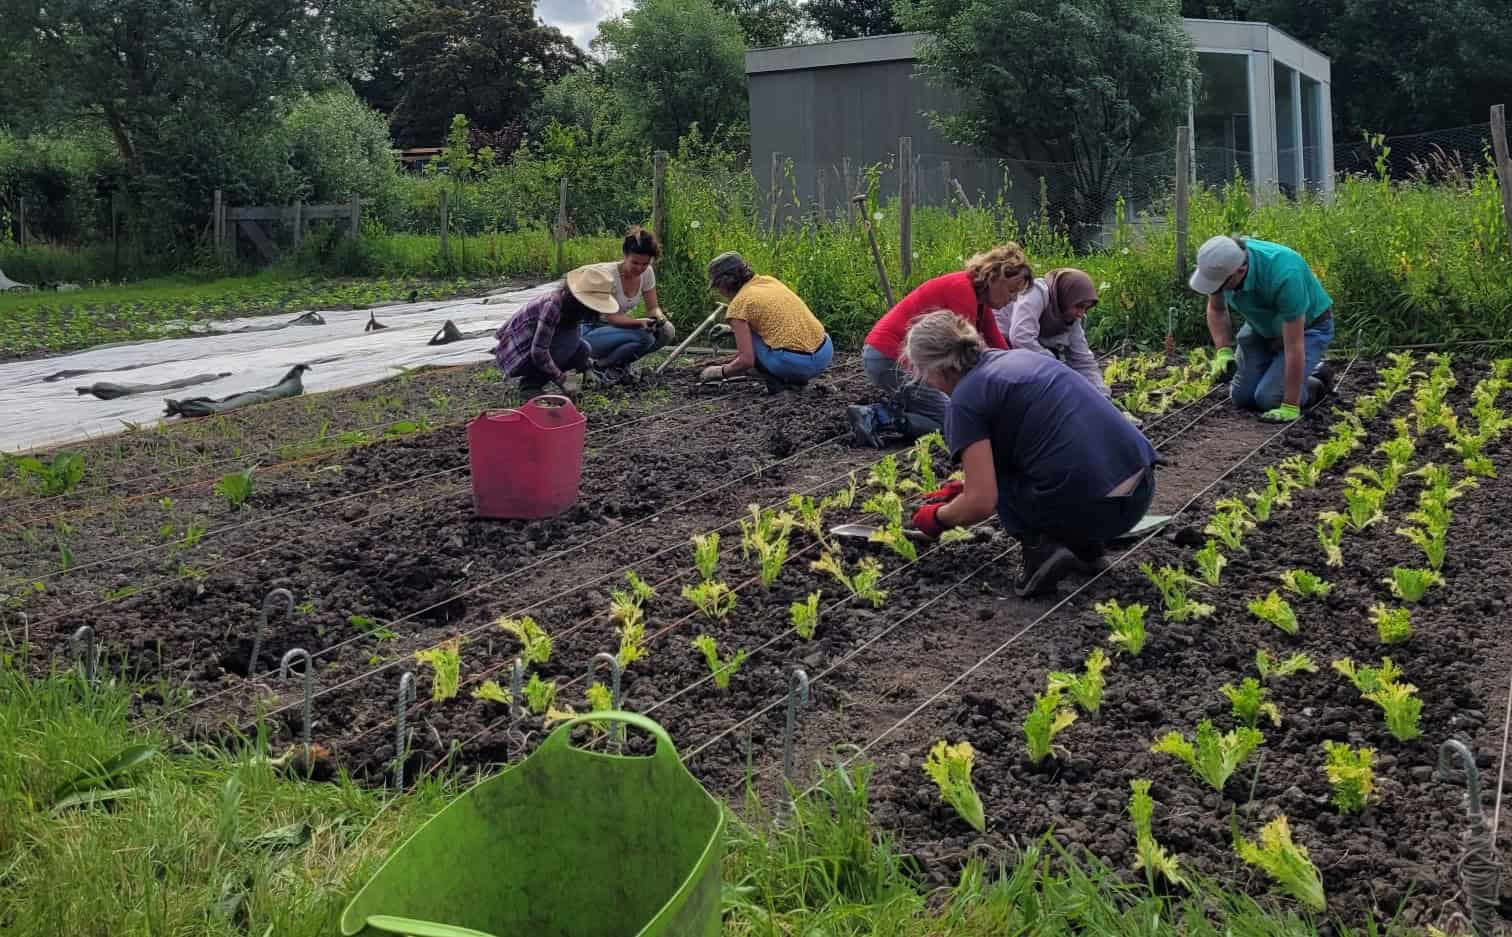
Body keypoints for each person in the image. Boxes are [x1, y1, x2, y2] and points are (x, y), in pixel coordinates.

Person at [905, 312, 1159, 598]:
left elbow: (981, 502)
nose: (927, 383)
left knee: (1001, 479)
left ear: (937, 369)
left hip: (1097, 509)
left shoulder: (965, 400)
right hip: (1141, 490)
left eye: (923, 374)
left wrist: (938, 518)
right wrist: (965, 489)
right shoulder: (1018, 359)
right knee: (1023, 465)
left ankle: (1043, 552)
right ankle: (1086, 550)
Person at [846, 244, 1031, 448]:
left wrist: (1019, 381)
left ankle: (904, 408)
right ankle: (877, 416)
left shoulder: (979, 300)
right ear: (993, 276)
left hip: (899, 359)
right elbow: (969, 359)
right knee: (957, 422)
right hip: (890, 357)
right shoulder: (961, 290)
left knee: (955, 413)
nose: (1013, 299)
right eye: (1011, 290)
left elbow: (998, 348)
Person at [1188, 235, 1335, 422]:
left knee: (1270, 399)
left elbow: (1294, 345)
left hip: (1307, 330)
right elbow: (1217, 309)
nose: (1217, 289)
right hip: (1262, 325)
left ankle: (1318, 379)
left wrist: (1290, 405)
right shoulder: (1220, 260)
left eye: (1220, 285)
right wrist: (1223, 350)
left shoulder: (1285, 272)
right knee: (1242, 398)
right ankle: (1278, 370)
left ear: (1240, 271)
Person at [698, 252, 834, 392]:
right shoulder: (768, 281)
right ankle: (796, 377)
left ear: (724, 282)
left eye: (717, 286)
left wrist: (721, 372)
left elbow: (746, 361)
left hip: (795, 365)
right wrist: (732, 330)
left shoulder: (738, 305)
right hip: (824, 353)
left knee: (750, 348)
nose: (719, 291)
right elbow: (778, 320)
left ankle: (780, 384)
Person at [491, 264, 618, 397]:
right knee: (565, 346)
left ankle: (578, 379)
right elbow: (539, 352)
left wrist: (587, 369)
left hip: (536, 351)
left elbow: (575, 341)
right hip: (518, 357)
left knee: (583, 348)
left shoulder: (572, 310)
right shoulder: (552, 306)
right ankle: (530, 384)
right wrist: (563, 381)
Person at [579, 226, 677, 382]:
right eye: (635, 262)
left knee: (667, 331)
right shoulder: (608, 275)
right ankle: (599, 366)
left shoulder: (647, 273)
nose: (640, 268)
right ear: (625, 256)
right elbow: (613, 318)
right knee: (645, 338)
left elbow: (652, 307)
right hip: (590, 331)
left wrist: (659, 318)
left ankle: (617, 365)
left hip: (614, 329)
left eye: (645, 264)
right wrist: (640, 323)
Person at [997, 267, 1110, 398]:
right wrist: (1058, 368)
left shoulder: (1070, 316)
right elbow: (1021, 337)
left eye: (1086, 308)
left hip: (1028, 349)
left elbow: (1082, 360)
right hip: (1000, 342)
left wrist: (1101, 394)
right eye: (1079, 306)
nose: (1081, 314)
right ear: (1067, 294)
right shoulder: (1036, 292)